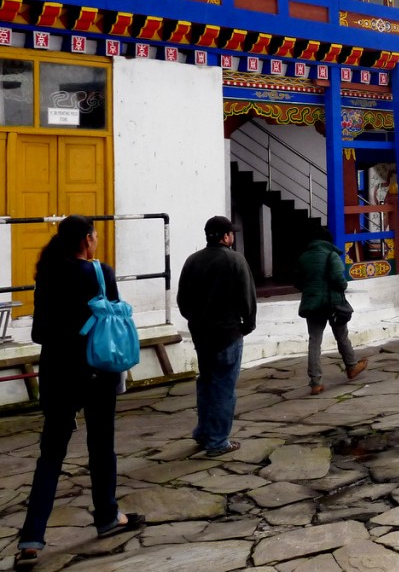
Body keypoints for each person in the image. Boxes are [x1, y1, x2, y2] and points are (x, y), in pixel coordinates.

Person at [14, 216, 145, 571]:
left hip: (57, 374)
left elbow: (39, 333)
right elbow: (116, 321)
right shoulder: (99, 273)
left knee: (50, 456)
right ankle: (107, 516)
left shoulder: (47, 274)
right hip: (95, 372)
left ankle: (31, 539)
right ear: (87, 240)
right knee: (101, 446)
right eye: (96, 235)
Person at [176, 216, 257, 458]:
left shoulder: (193, 261)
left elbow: (183, 301)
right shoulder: (235, 260)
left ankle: (203, 432)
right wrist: (248, 325)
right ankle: (218, 440)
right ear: (226, 236)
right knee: (224, 388)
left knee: (207, 383)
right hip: (228, 333)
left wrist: (195, 321)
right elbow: (247, 298)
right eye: (231, 234)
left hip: (202, 334)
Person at [295, 227, 367, 394]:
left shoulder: (303, 257)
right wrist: (341, 286)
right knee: (342, 337)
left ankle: (315, 382)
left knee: (314, 341)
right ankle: (351, 367)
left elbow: (298, 281)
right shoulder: (331, 255)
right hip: (332, 304)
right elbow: (339, 281)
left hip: (312, 304)